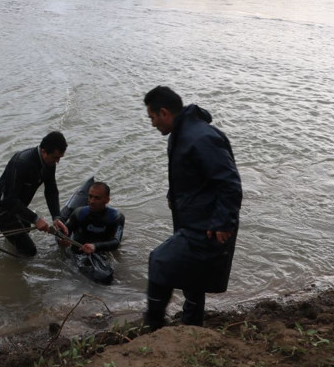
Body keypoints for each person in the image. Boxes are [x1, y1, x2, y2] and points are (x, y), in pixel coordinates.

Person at [142, 86, 242, 329]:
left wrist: (222, 222)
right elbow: (192, 174)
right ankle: (192, 325)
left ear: (164, 112)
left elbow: (230, 183)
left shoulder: (201, 137)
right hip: (193, 218)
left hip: (207, 224)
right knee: (191, 274)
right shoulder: (181, 133)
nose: (152, 124)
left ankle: (153, 326)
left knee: (159, 262)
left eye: (152, 117)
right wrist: (172, 194)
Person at [0, 131, 68, 257]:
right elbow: (9, 200)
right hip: (1, 208)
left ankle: (8, 253)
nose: (57, 161)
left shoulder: (49, 162)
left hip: (18, 206)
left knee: (25, 229)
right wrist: (35, 219)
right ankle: (14, 268)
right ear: (43, 151)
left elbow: (51, 190)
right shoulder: (22, 163)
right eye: (55, 157)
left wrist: (56, 217)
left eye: (60, 158)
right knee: (30, 251)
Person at [60, 182, 124, 255]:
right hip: (77, 251)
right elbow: (63, 233)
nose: (92, 201)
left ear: (107, 200)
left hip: (100, 252)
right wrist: (62, 240)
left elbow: (116, 242)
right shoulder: (79, 213)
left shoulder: (116, 217)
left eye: (97, 198)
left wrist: (95, 246)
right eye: (90, 196)